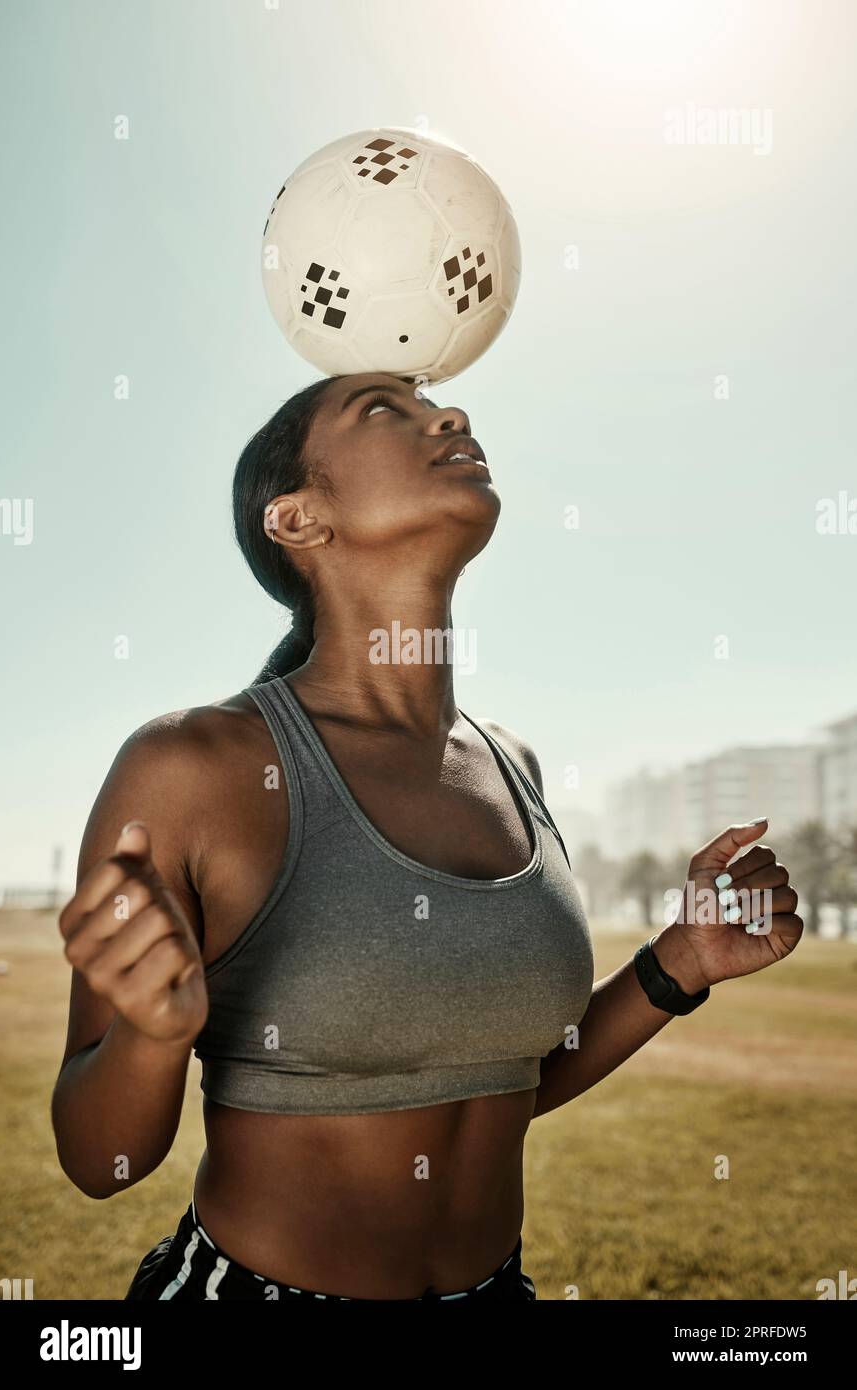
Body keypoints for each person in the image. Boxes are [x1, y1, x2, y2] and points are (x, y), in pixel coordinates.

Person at [51, 372, 803, 1301]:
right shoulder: (189, 767)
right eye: (381, 412)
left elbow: (503, 1083)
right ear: (296, 521)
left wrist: (676, 965)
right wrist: (151, 1034)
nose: (451, 416)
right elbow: (99, 1162)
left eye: (433, 405)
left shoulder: (510, 761)